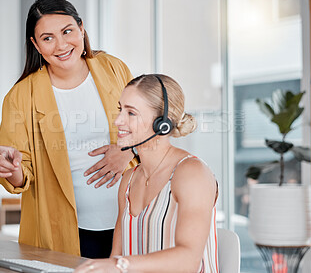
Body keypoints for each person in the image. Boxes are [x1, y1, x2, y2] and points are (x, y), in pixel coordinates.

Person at [0, 0, 137, 258]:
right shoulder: (21, 97)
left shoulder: (113, 68)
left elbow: (149, 127)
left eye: (67, 31)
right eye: (47, 38)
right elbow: (22, 173)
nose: (61, 44)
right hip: (66, 233)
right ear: (35, 44)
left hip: (130, 221)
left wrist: (128, 151)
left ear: (81, 28)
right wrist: (11, 170)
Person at [75, 74, 219, 272]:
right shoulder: (129, 179)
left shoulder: (191, 174)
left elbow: (189, 259)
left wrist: (119, 265)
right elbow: (116, 256)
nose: (118, 121)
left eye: (131, 113)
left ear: (162, 123)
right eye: (120, 109)